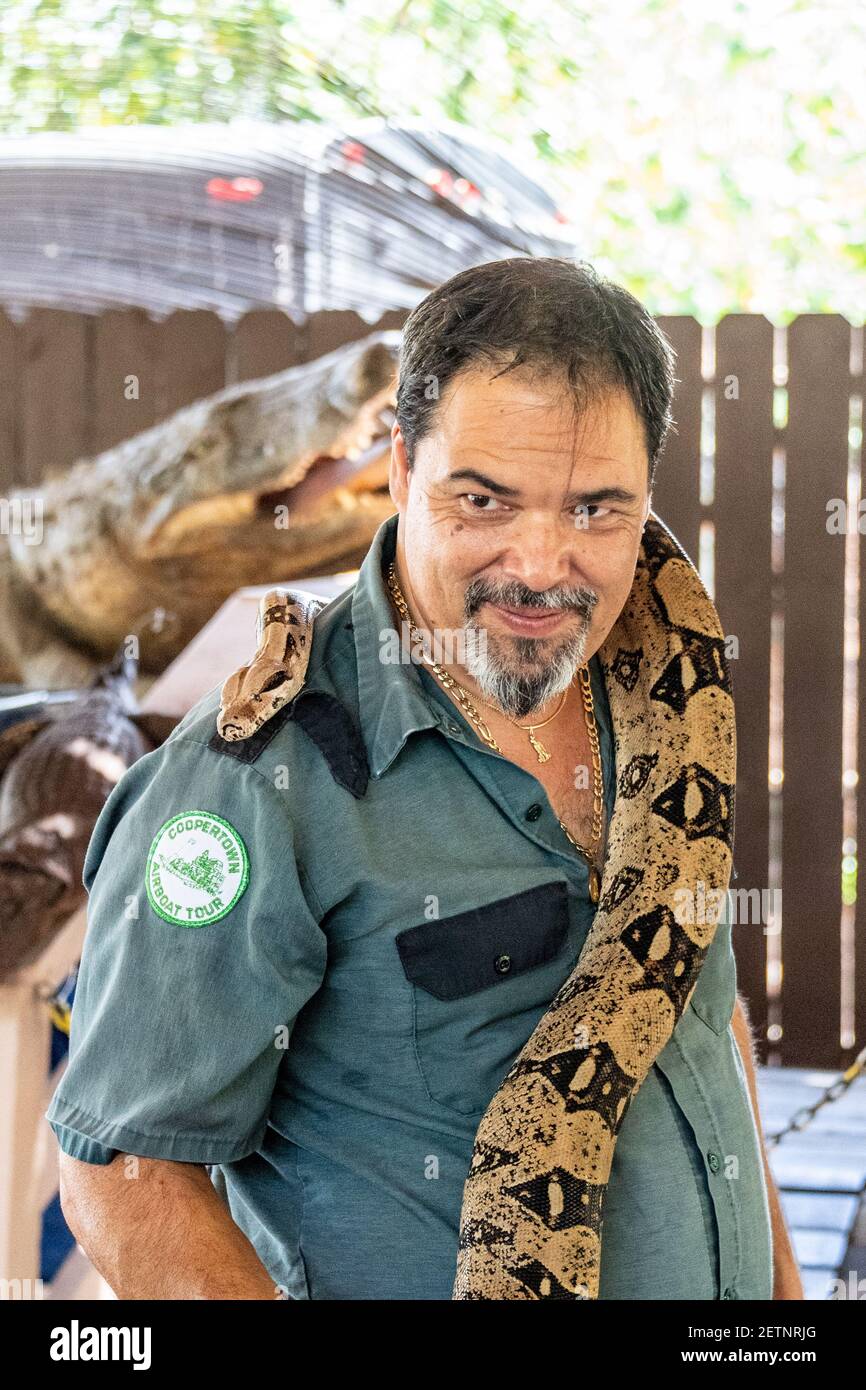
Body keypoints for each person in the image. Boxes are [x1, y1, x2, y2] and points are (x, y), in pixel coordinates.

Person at [47, 256, 802, 1300]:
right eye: (484, 499)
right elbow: (125, 1174)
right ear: (400, 470)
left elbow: (696, 1013)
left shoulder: (668, 707)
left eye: (596, 509)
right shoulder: (249, 783)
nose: (540, 564)